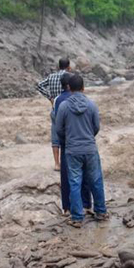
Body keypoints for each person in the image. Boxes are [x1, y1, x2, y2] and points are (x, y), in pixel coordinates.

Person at [55, 75, 107, 228]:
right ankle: (100, 211)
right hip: (90, 148)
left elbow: (58, 129)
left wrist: (69, 139)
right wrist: (88, 136)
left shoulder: (64, 106)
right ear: (84, 88)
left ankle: (77, 217)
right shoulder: (91, 105)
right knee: (96, 180)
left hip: (72, 150)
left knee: (75, 182)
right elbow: (96, 127)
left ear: (69, 88)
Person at [51, 73, 92, 215]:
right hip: (83, 141)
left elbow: (57, 123)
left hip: (66, 143)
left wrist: (63, 138)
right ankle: (86, 204)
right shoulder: (83, 99)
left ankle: (67, 208)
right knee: (84, 174)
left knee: (67, 176)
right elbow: (94, 125)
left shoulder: (58, 100)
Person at [38, 58, 71, 170]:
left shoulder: (51, 77)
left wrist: (50, 97)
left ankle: (57, 164)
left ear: (59, 66)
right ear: (68, 66)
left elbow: (39, 85)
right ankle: (67, 162)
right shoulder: (70, 77)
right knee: (69, 135)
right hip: (68, 109)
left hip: (55, 109)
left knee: (55, 136)